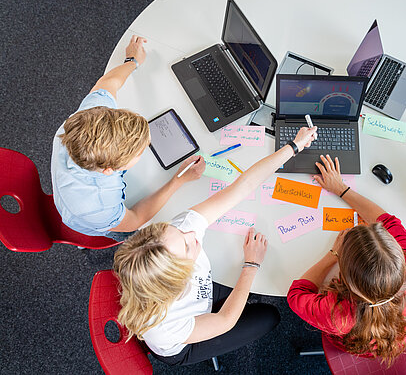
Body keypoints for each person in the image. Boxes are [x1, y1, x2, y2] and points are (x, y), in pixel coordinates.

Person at [113, 127, 317, 366]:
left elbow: (243, 185)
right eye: (188, 247)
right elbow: (224, 321)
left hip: (199, 294)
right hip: (188, 338)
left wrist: (293, 146)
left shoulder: (180, 233)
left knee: (248, 287)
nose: (193, 235)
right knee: (269, 316)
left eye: (179, 231)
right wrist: (250, 265)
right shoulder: (164, 326)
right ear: (179, 276)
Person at [51, 35, 206, 241]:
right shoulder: (100, 205)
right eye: (139, 152)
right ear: (109, 170)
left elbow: (108, 82)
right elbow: (135, 218)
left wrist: (132, 61)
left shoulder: (87, 120)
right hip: (88, 221)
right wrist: (179, 180)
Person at [287, 155, 406, 363]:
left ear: (347, 276)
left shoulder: (338, 314)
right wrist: (342, 189)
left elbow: (296, 295)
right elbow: (386, 220)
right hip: (396, 334)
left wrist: (332, 255)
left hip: (355, 341)